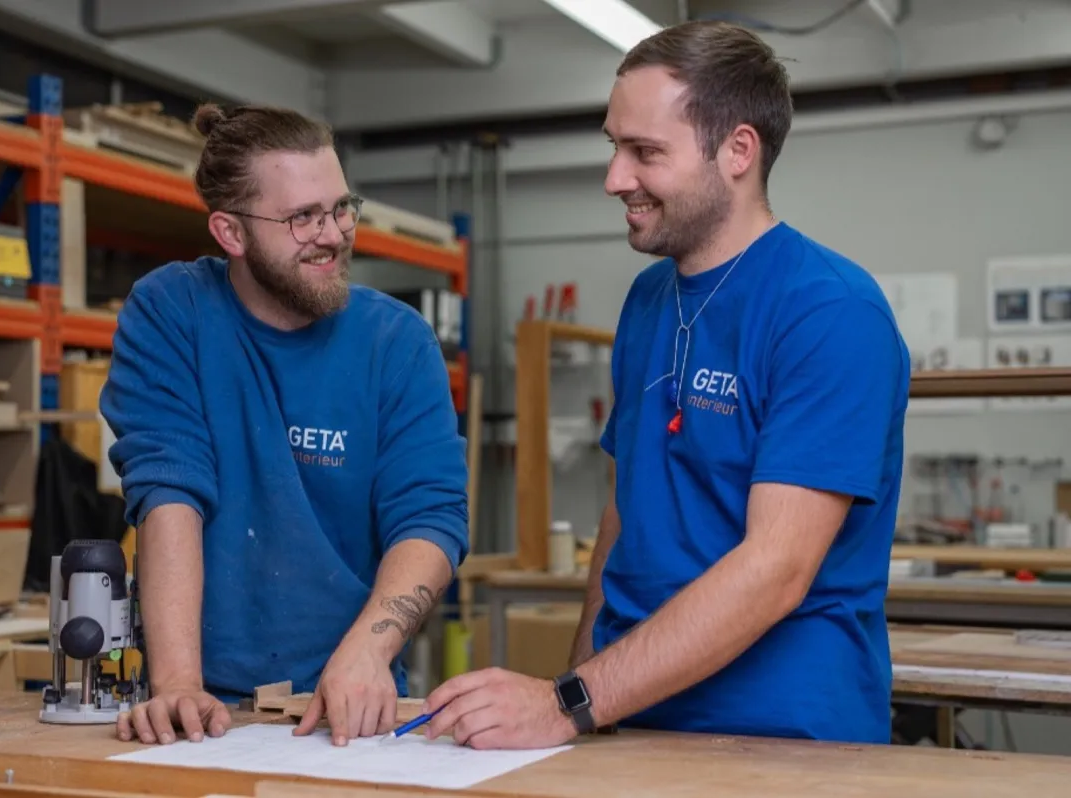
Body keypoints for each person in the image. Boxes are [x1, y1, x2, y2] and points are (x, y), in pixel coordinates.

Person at [422, 20, 909, 750]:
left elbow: (776, 569)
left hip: (781, 735)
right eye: (614, 146)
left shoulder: (829, 312)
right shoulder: (651, 299)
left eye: (645, 152)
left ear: (738, 150)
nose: (615, 178)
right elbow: (627, 511)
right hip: (637, 716)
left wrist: (566, 703)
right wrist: (587, 692)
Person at [99, 103, 469, 748]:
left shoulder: (397, 342)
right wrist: (179, 685)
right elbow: (168, 491)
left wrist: (366, 653)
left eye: (340, 207)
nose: (333, 233)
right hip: (202, 700)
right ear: (230, 233)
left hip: (347, 702)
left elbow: (430, 518)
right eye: (302, 218)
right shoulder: (171, 311)